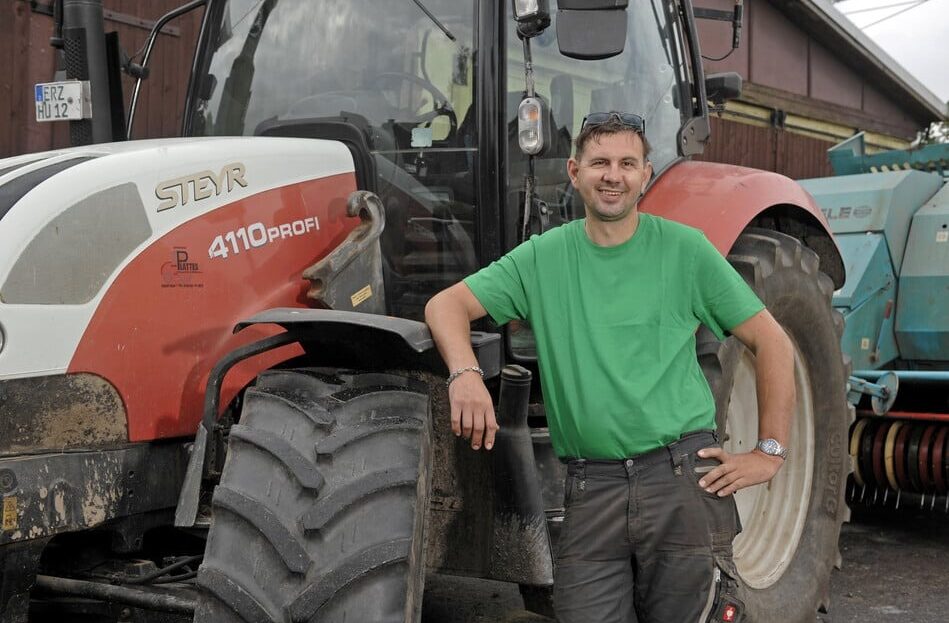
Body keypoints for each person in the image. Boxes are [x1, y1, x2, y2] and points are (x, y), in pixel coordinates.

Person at [424, 111, 794, 622]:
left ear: (646, 174)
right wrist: (465, 374)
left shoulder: (685, 250)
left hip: (680, 483)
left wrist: (770, 452)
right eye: (600, 162)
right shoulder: (543, 257)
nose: (612, 175)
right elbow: (446, 306)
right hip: (591, 487)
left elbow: (773, 342)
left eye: (626, 163)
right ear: (575, 172)